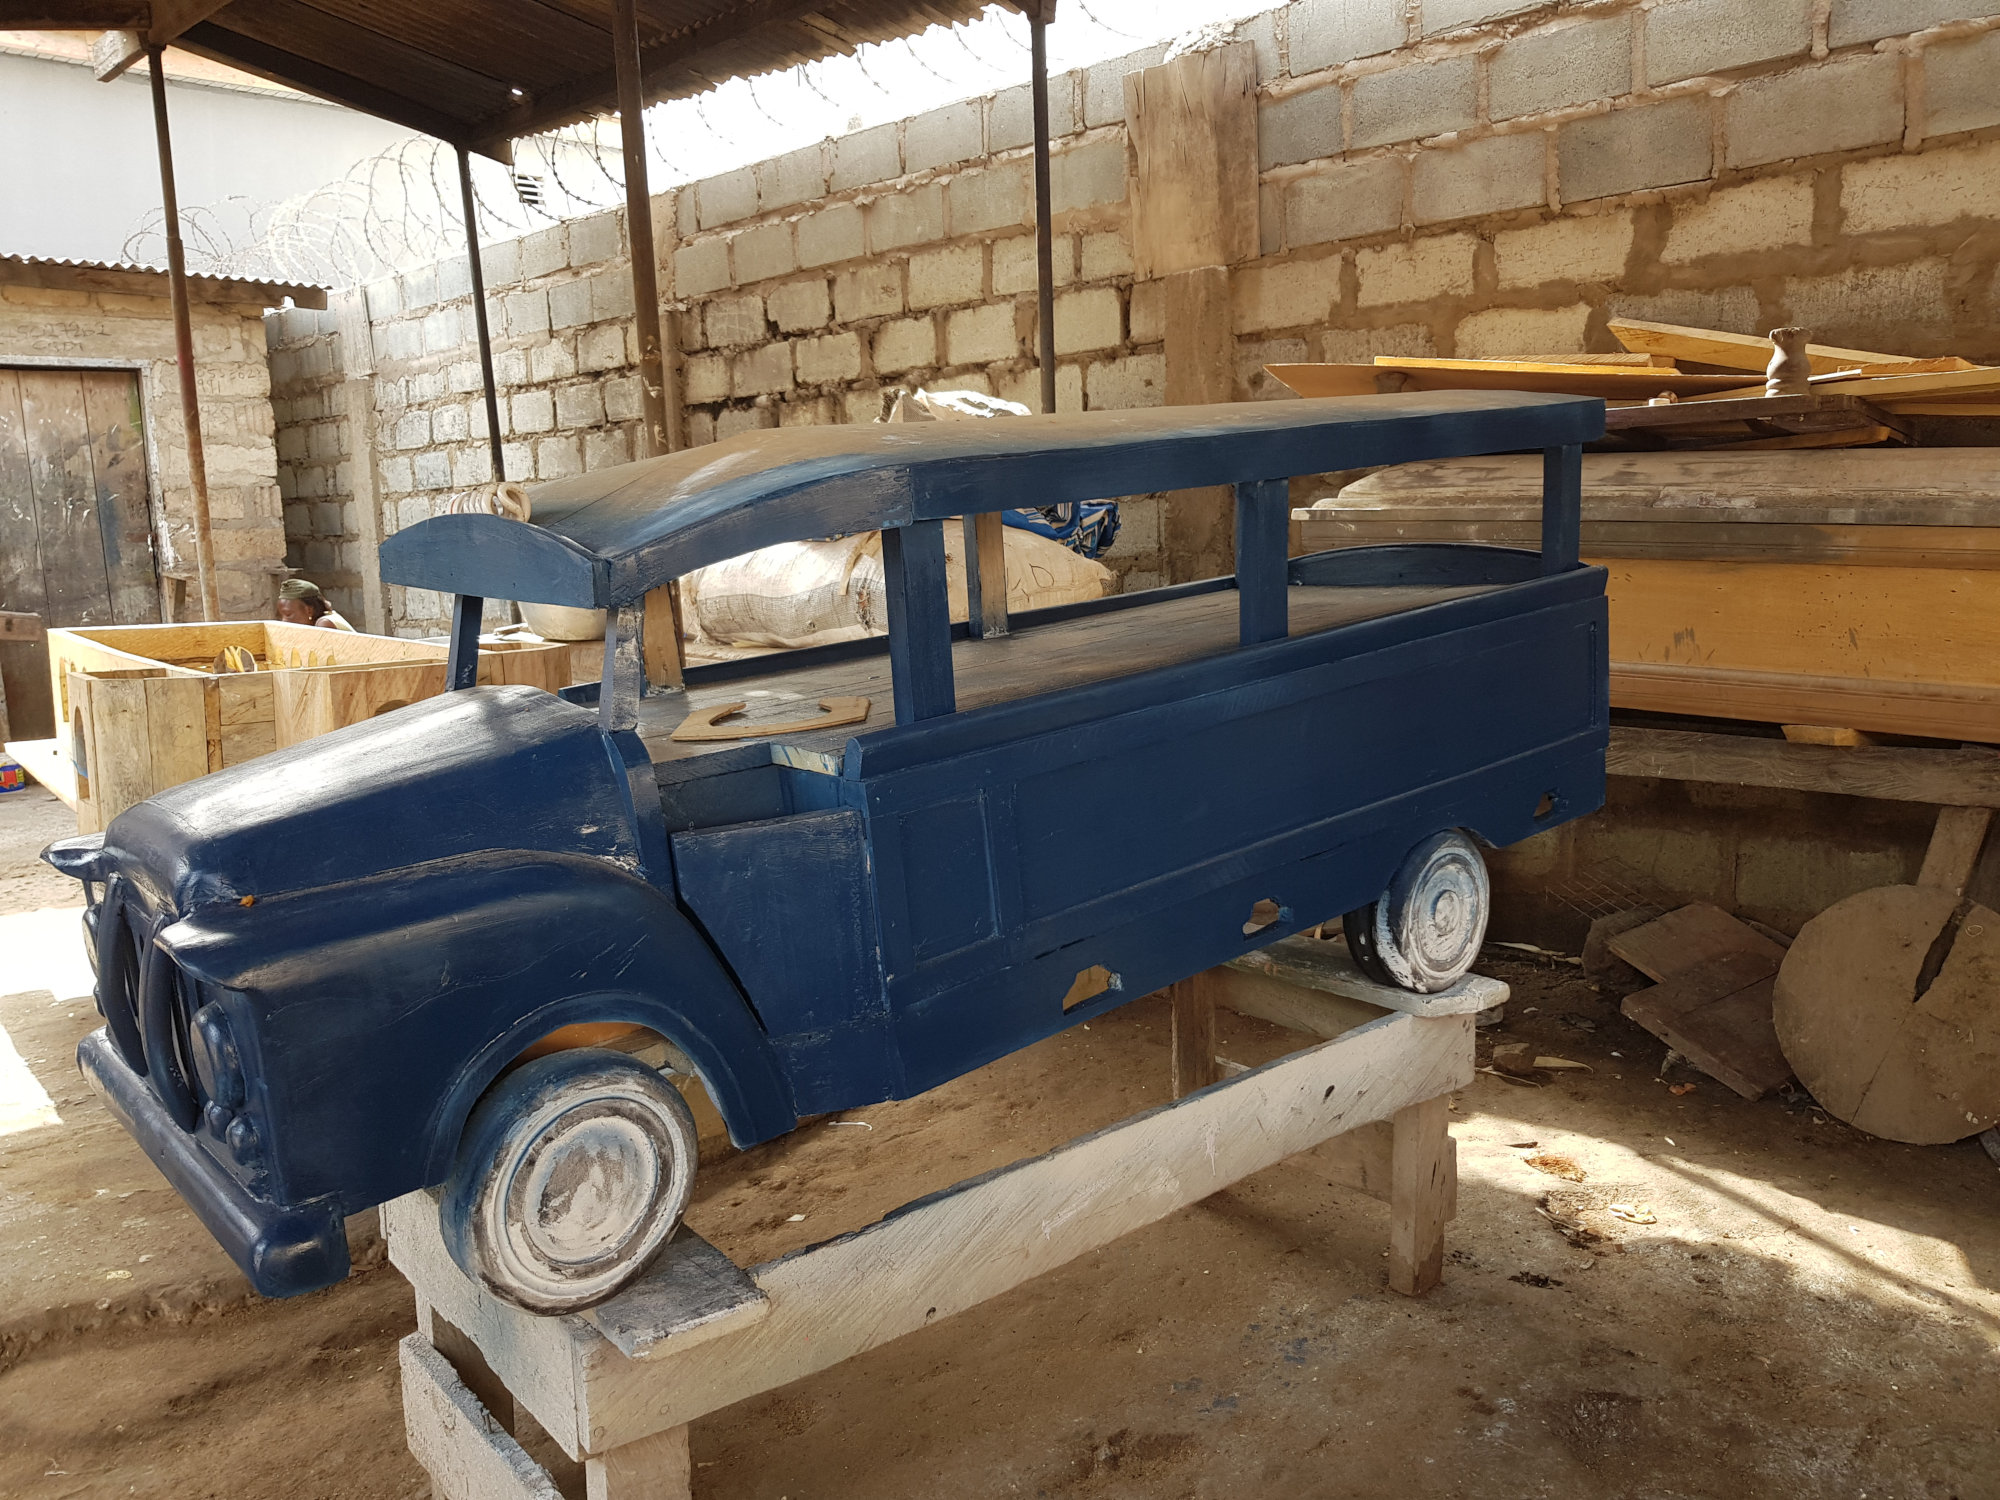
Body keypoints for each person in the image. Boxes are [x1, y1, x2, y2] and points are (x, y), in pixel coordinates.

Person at [276, 578, 356, 631]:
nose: (284, 621)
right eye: (281, 616)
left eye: (288, 615)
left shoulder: (324, 624)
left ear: (309, 610)